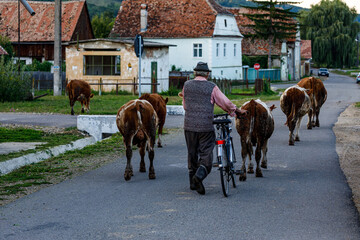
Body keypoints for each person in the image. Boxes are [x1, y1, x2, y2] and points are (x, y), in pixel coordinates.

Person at [180, 62, 247, 195]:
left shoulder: (186, 85)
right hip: (205, 126)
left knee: (192, 153)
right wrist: (236, 111)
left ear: (195, 73)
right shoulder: (211, 87)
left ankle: (192, 182)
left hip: (189, 126)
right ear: (207, 74)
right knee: (206, 154)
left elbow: (185, 105)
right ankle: (199, 177)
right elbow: (225, 103)